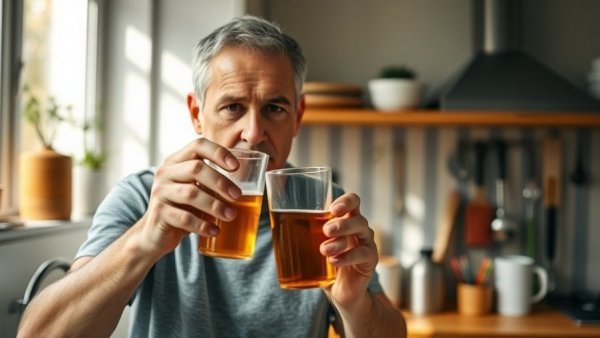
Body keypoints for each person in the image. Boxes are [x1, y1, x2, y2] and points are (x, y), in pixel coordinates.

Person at [18, 15, 407, 338]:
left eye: (274, 108)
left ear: (298, 117)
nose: (253, 133)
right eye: (233, 107)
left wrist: (356, 303)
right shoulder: (144, 196)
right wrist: (145, 240)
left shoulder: (319, 203)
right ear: (196, 114)